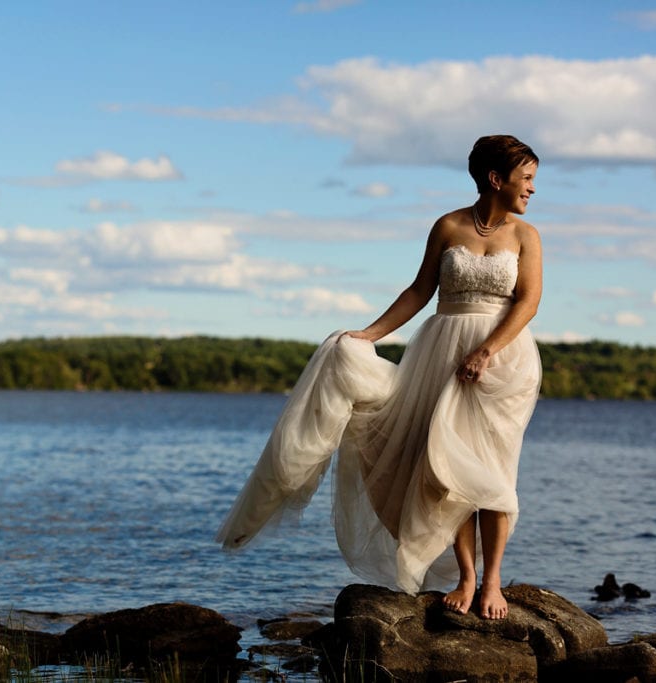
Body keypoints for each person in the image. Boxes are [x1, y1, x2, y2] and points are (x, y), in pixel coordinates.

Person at [217, 134, 543, 621]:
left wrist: (487, 350)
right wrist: (369, 334)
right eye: (527, 178)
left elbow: (528, 301)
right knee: (441, 467)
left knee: (492, 471)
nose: (532, 189)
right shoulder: (448, 225)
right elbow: (419, 291)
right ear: (496, 179)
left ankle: (493, 582)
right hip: (440, 352)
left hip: (502, 360)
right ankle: (466, 577)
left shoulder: (525, 235)